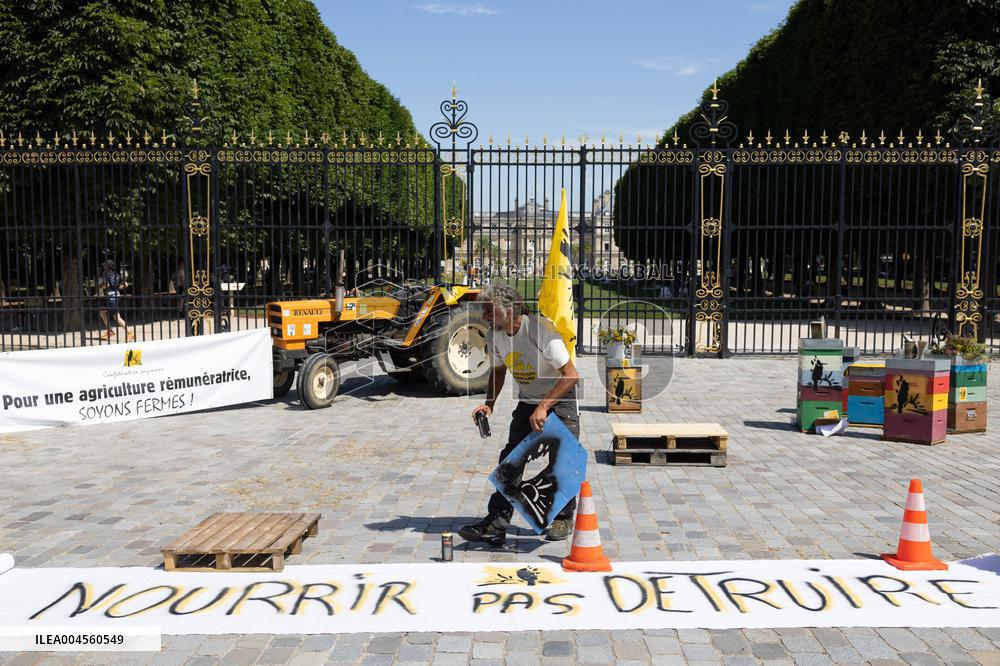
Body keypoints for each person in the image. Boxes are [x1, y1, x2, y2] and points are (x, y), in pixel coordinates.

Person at [460, 283, 580, 547]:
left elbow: (571, 375)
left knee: (563, 459)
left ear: (510, 309)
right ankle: (497, 523)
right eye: (484, 311)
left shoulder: (540, 330)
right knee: (511, 460)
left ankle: (562, 518)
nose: (485, 318)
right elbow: (499, 371)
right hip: (529, 400)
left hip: (560, 397)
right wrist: (489, 404)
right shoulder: (495, 335)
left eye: (490, 311)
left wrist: (544, 406)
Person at [98, 260, 134, 342]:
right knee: (102, 312)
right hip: (115, 296)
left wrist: (101, 286)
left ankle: (130, 332)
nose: (104, 267)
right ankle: (110, 331)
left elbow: (105, 285)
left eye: (105, 266)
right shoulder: (117, 275)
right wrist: (117, 288)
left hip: (111, 297)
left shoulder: (106, 274)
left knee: (116, 318)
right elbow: (126, 284)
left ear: (108, 267)